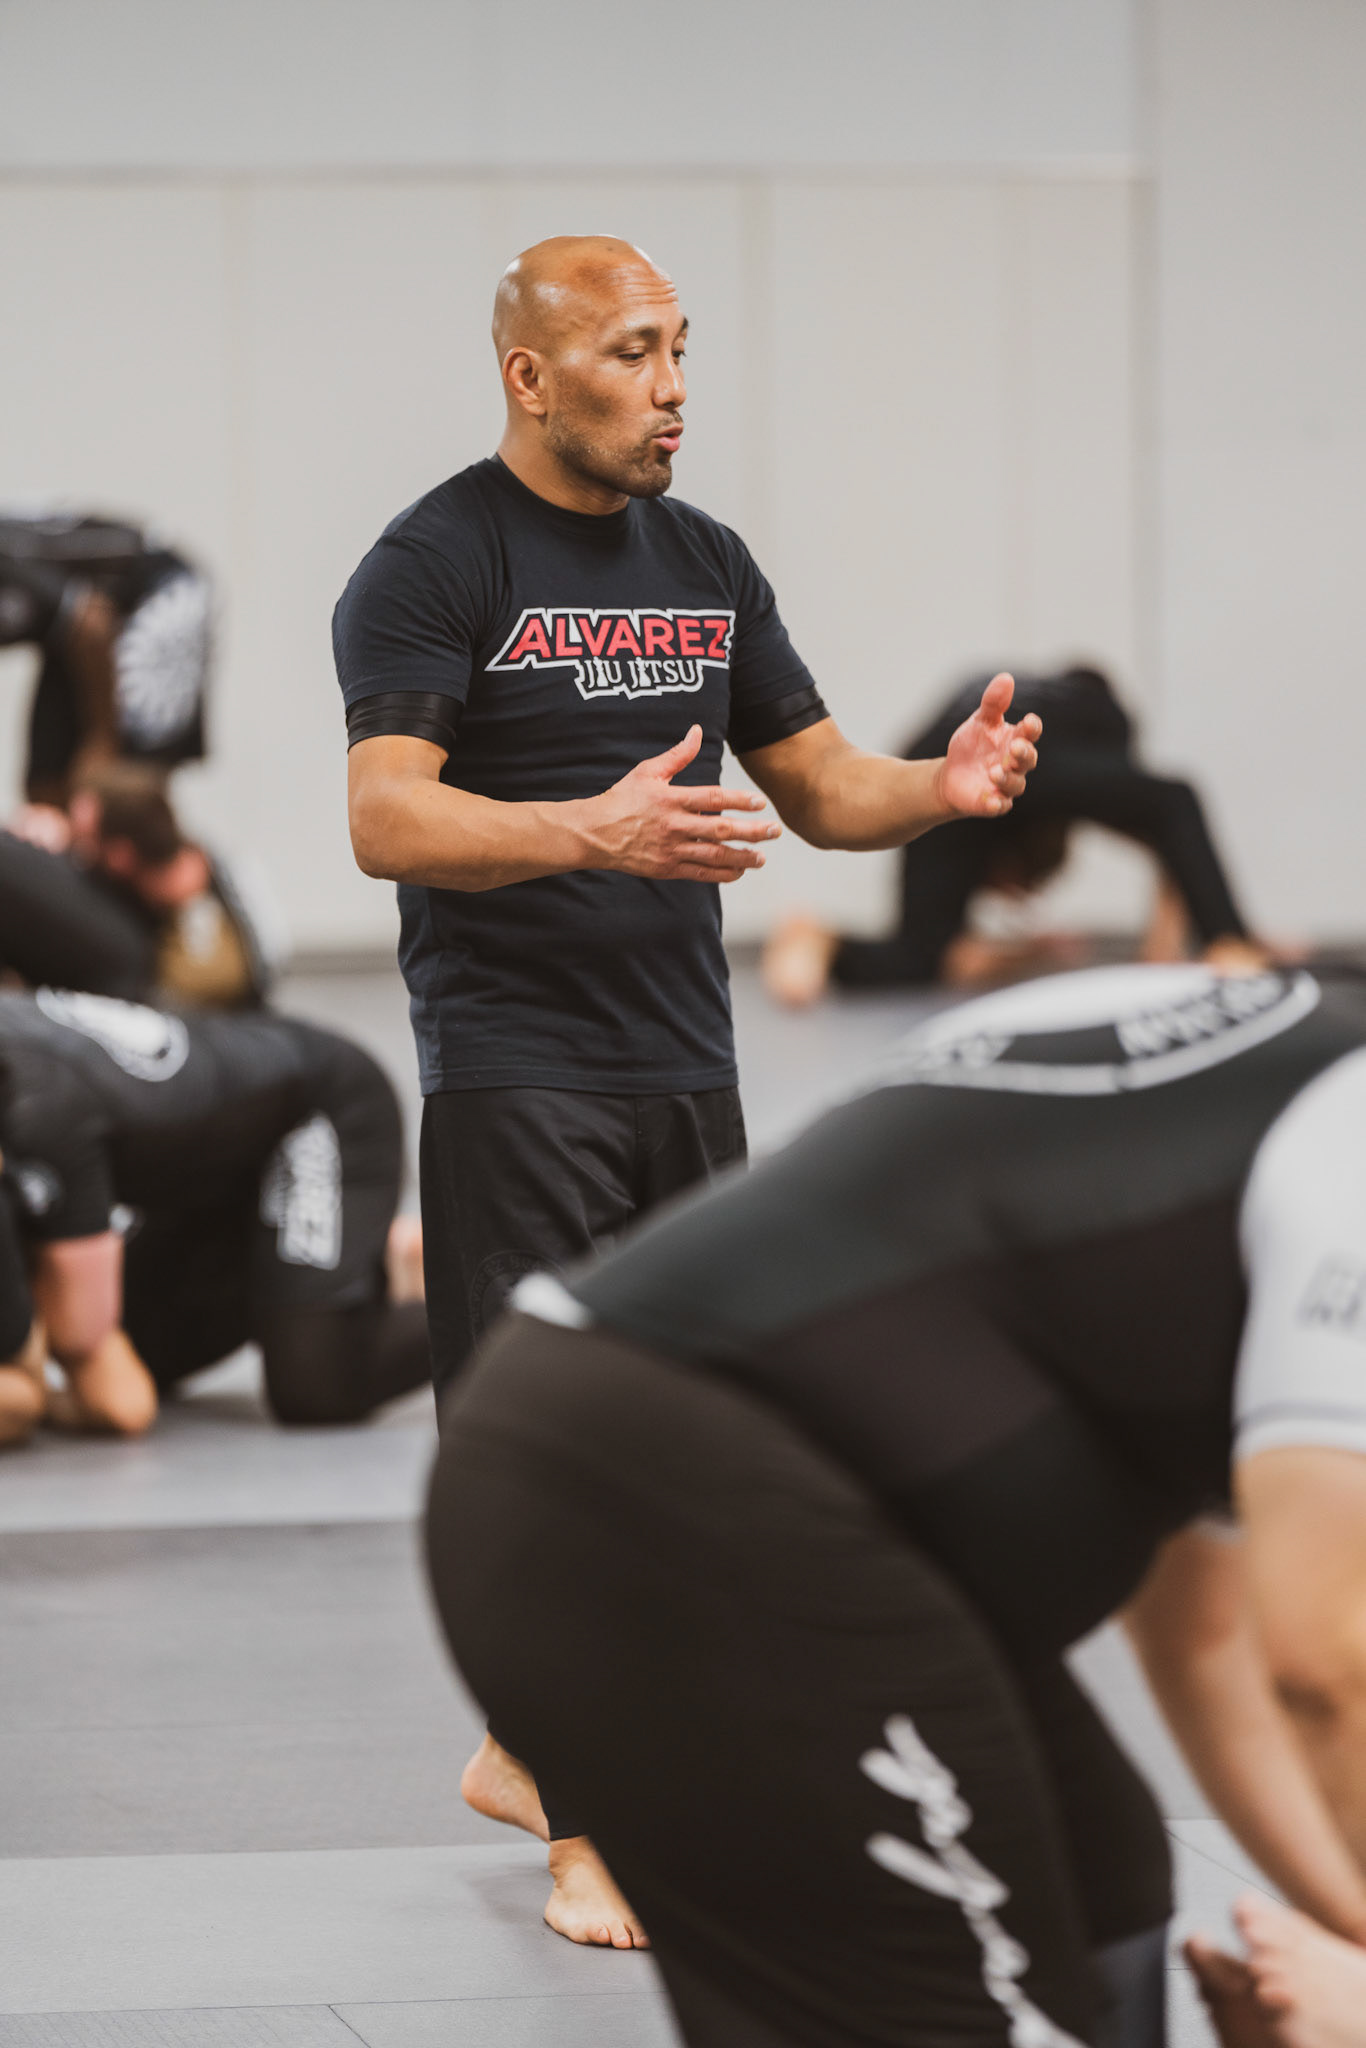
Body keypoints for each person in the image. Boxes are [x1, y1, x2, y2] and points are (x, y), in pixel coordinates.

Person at [335, 234, 1040, 1941]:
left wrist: (938, 791)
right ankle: (591, 1826)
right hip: (517, 1071)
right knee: (553, 1464)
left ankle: (527, 1742)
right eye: (632, 352)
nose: (670, 389)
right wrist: (590, 829)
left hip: (683, 1066)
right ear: (531, 377)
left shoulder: (705, 560)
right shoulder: (433, 561)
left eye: (679, 350)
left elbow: (820, 785)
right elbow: (383, 814)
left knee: (694, 1448)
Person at [425, 961, 1366, 2047]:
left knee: (1098, 1879)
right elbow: (1325, 1666)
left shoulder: (1276, 1089)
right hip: (680, 1500)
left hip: (592, 1441)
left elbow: (1202, 1636)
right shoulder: (1343, 1146)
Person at [0, 989, 428, 1446]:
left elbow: (106, 1381)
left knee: (317, 1381)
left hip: (319, 1108)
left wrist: (38, 1399)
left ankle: (474, 1291)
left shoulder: (40, 1114)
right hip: (209, 1170)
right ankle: (355, 1260)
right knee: (146, 1346)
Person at [763, 665, 1269, 1005]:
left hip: (933, 758)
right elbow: (1169, 816)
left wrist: (1034, 951)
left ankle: (819, 937)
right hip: (998, 751)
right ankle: (1228, 944)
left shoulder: (1053, 729)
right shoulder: (1087, 718)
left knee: (920, 958)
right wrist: (1179, 946)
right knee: (1172, 804)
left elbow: (954, 961)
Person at [0, 762, 280, 1008]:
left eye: (84, 841)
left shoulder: (207, 954)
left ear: (120, 857)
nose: (76, 849)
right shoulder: (186, 862)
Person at [0, 509, 211, 802]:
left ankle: (145, 829)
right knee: (46, 785)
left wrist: (102, 740)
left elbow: (91, 622)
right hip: (76, 629)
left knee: (118, 785)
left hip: (154, 589)